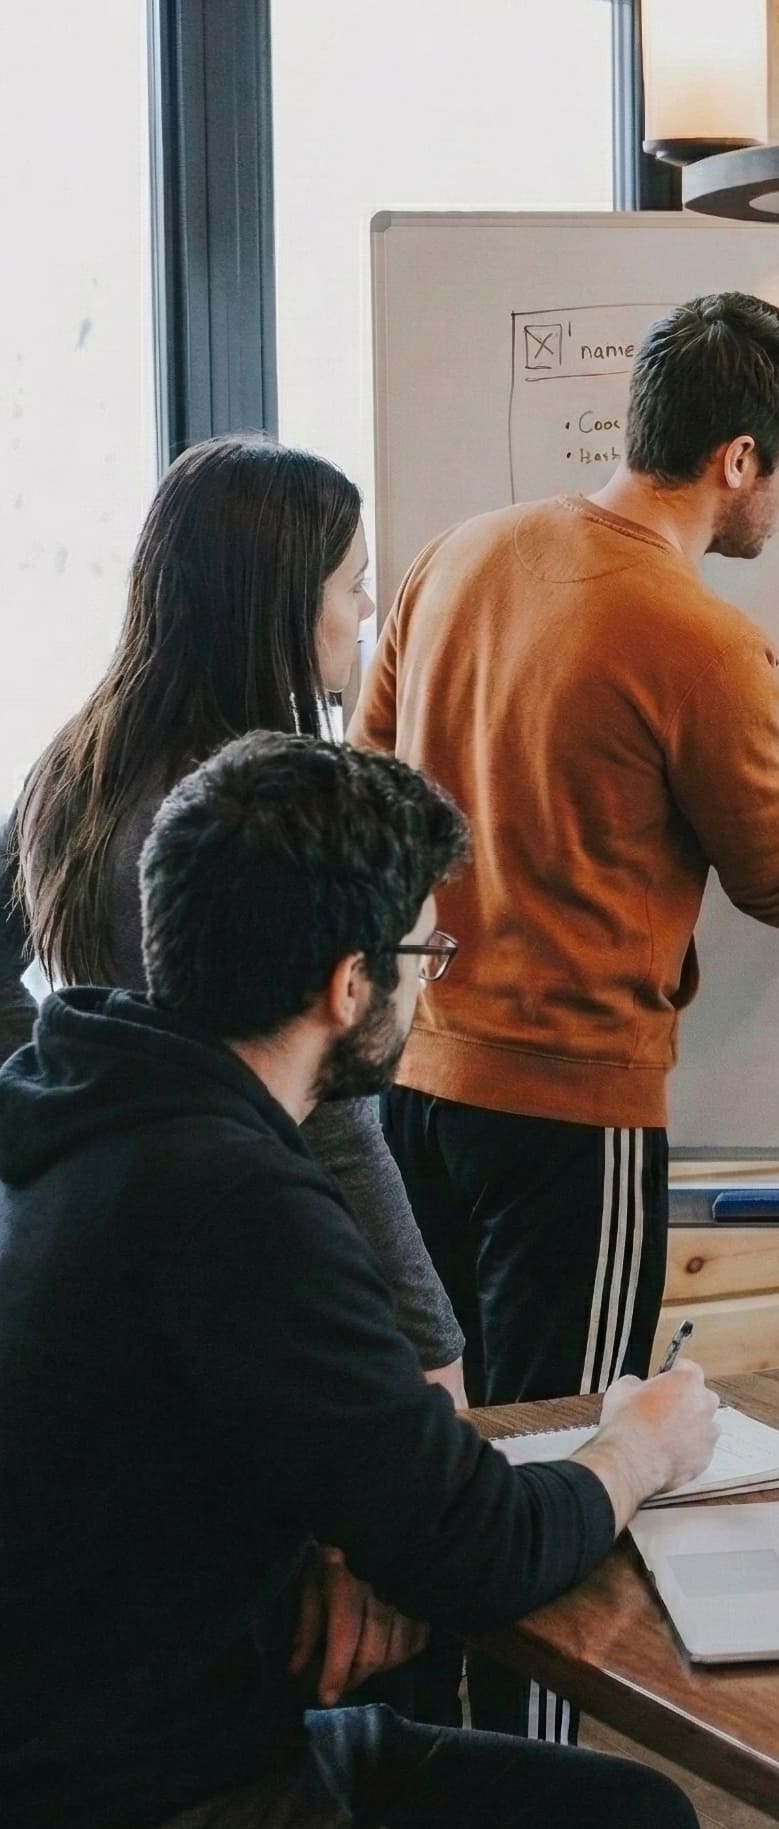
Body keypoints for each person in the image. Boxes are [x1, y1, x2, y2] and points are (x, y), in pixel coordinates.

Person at [352, 289, 779, 1733]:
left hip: (412, 1090)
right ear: (737, 460)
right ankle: (534, 1784)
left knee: (438, 1459)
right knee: (573, 1467)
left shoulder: (455, 555)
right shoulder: (697, 634)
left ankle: (426, 1761)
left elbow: (367, 797)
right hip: (573, 1111)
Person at [0, 731, 718, 1828]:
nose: (430, 982)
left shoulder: (80, 1098)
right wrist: (642, 1447)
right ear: (350, 985)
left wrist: (352, 1529)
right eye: (426, 953)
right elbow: (480, 1548)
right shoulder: (236, 1200)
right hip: (154, 1787)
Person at [0, 435, 466, 1403]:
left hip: (106, 1230)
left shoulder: (77, 759)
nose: (366, 612)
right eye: (353, 585)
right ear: (279, 604)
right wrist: (432, 1344)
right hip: (249, 1249)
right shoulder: (255, 813)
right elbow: (334, 1109)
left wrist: (53, 1095)